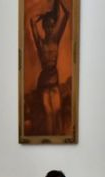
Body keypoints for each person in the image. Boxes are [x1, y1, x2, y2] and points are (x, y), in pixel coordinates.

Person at [29, 0, 69, 135]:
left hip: (54, 80)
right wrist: (40, 15)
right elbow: (32, 22)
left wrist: (59, 2)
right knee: (49, 116)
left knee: (57, 111)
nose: (50, 29)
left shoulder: (56, 38)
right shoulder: (40, 43)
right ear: (44, 27)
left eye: (52, 25)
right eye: (48, 26)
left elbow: (67, 14)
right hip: (44, 83)